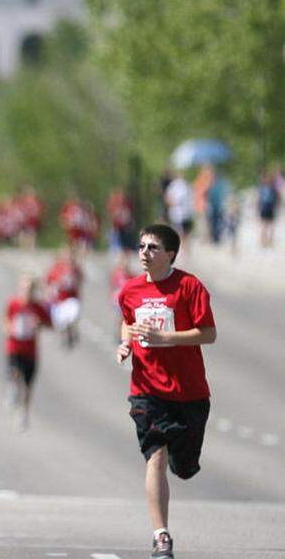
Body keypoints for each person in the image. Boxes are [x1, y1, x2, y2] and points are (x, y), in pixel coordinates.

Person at [115, 224, 217, 559]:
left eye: (153, 248)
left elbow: (208, 333)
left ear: (170, 253)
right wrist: (126, 344)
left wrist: (166, 339)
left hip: (189, 393)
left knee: (184, 468)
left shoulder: (189, 287)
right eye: (141, 246)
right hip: (147, 390)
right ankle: (161, 536)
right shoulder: (129, 290)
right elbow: (128, 322)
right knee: (154, 455)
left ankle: (182, 458)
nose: (144, 253)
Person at [4, 275, 52, 431]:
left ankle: (23, 413)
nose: (27, 291)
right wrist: (9, 328)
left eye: (30, 288)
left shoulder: (37, 307)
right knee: (14, 372)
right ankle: (12, 389)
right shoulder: (13, 304)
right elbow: (5, 321)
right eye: (24, 288)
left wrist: (40, 324)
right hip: (14, 346)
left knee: (28, 386)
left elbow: (49, 324)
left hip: (30, 350)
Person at [46, 248, 83, 350]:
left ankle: (71, 332)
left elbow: (80, 280)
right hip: (59, 301)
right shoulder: (56, 269)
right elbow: (49, 283)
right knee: (62, 324)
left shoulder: (76, 269)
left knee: (72, 317)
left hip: (71, 299)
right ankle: (66, 336)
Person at [257, 168, 280, 248]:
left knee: (271, 225)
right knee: (264, 225)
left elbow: (277, 198)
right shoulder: (262, 188)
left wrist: (277, 205)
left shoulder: (273, 189)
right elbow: (259, 199)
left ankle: (270, 240)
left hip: (270, 207)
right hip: (264, 207)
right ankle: (263, 240)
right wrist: (258, 207)